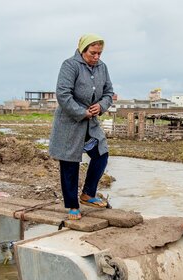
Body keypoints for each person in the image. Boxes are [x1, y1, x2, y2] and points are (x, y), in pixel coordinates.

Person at [49, 33, 114, 220]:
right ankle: (72, 206)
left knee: (101, 154)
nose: (96, 57)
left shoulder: (102, 67)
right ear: (82, 50)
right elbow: (63, 94)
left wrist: (101, 105)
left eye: (99, 53)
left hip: (91, 124)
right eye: (92, 53)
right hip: (70, 123)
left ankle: (88, 193)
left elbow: (109, 92)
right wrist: (81, 112)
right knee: (70, 163)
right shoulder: (70, 65)